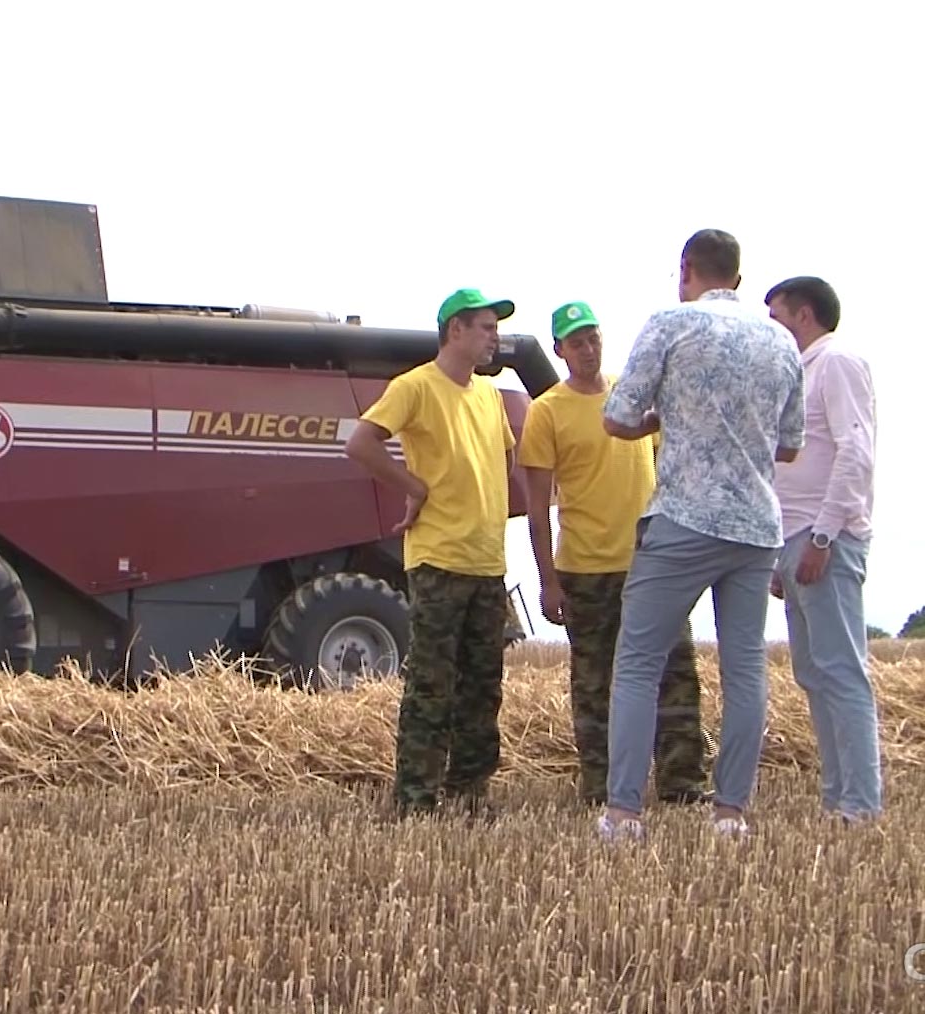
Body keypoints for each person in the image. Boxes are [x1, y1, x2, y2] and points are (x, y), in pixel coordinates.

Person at [597, 230, 805, 840]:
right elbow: (789, 445)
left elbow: (617, 418)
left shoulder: (671, 324)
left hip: (685, 518)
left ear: (686, 270)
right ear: (738, 278)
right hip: (756, 525)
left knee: (637, 663)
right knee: (745, 670)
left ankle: (624, 812)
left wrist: (669, 419)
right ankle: (731, 812)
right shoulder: (781, 340)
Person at [518, 300, 713, 807]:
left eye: (594, 338)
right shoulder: (546, 412)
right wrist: (548, 580)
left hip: (652, 563)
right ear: (560, 351)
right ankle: (603, 788)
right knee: (595, 683)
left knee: (675, 675)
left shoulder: (634, 396)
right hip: (585, 570)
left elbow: (672, 466)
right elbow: (537, 507)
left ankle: (682, 782)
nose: (588, 349)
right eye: (576, 342)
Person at [344, 288, 518, 819]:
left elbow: (504, 459)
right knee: (431, 685)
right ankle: (416, 797)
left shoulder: (489, 395)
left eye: (495, 328)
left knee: (483, 687)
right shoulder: (415, 387)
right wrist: (413, 486)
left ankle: (470, 793)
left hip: (487, 560)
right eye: (486, 327)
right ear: (456, 331)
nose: (495, 337)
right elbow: (361, 443)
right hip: (439, 558)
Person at [765, 275, 883, 823]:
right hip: (793, 540)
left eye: (777, 317)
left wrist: (822, 536)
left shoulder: (837, 364)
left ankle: (859, 804)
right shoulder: (800, 375)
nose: (773, 330)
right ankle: (837, 797)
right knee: (814, 674)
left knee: (840, 671)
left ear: (804, 314)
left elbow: (855, 452)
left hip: (824, 541)